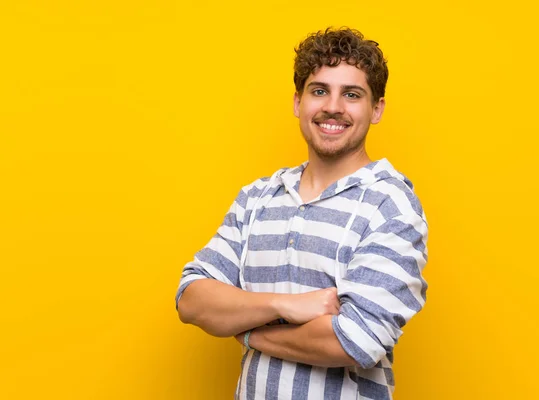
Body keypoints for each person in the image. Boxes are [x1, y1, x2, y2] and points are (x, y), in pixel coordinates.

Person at [175, 27, 429, 400]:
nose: (333, 107)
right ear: (298, 102)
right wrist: (285, 305)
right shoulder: (257, 198)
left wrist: (248, 332)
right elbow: (192, 298)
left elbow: (354, 341)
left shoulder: (390, 204)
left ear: (376, 109)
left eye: (352, 94)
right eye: (320, 90)